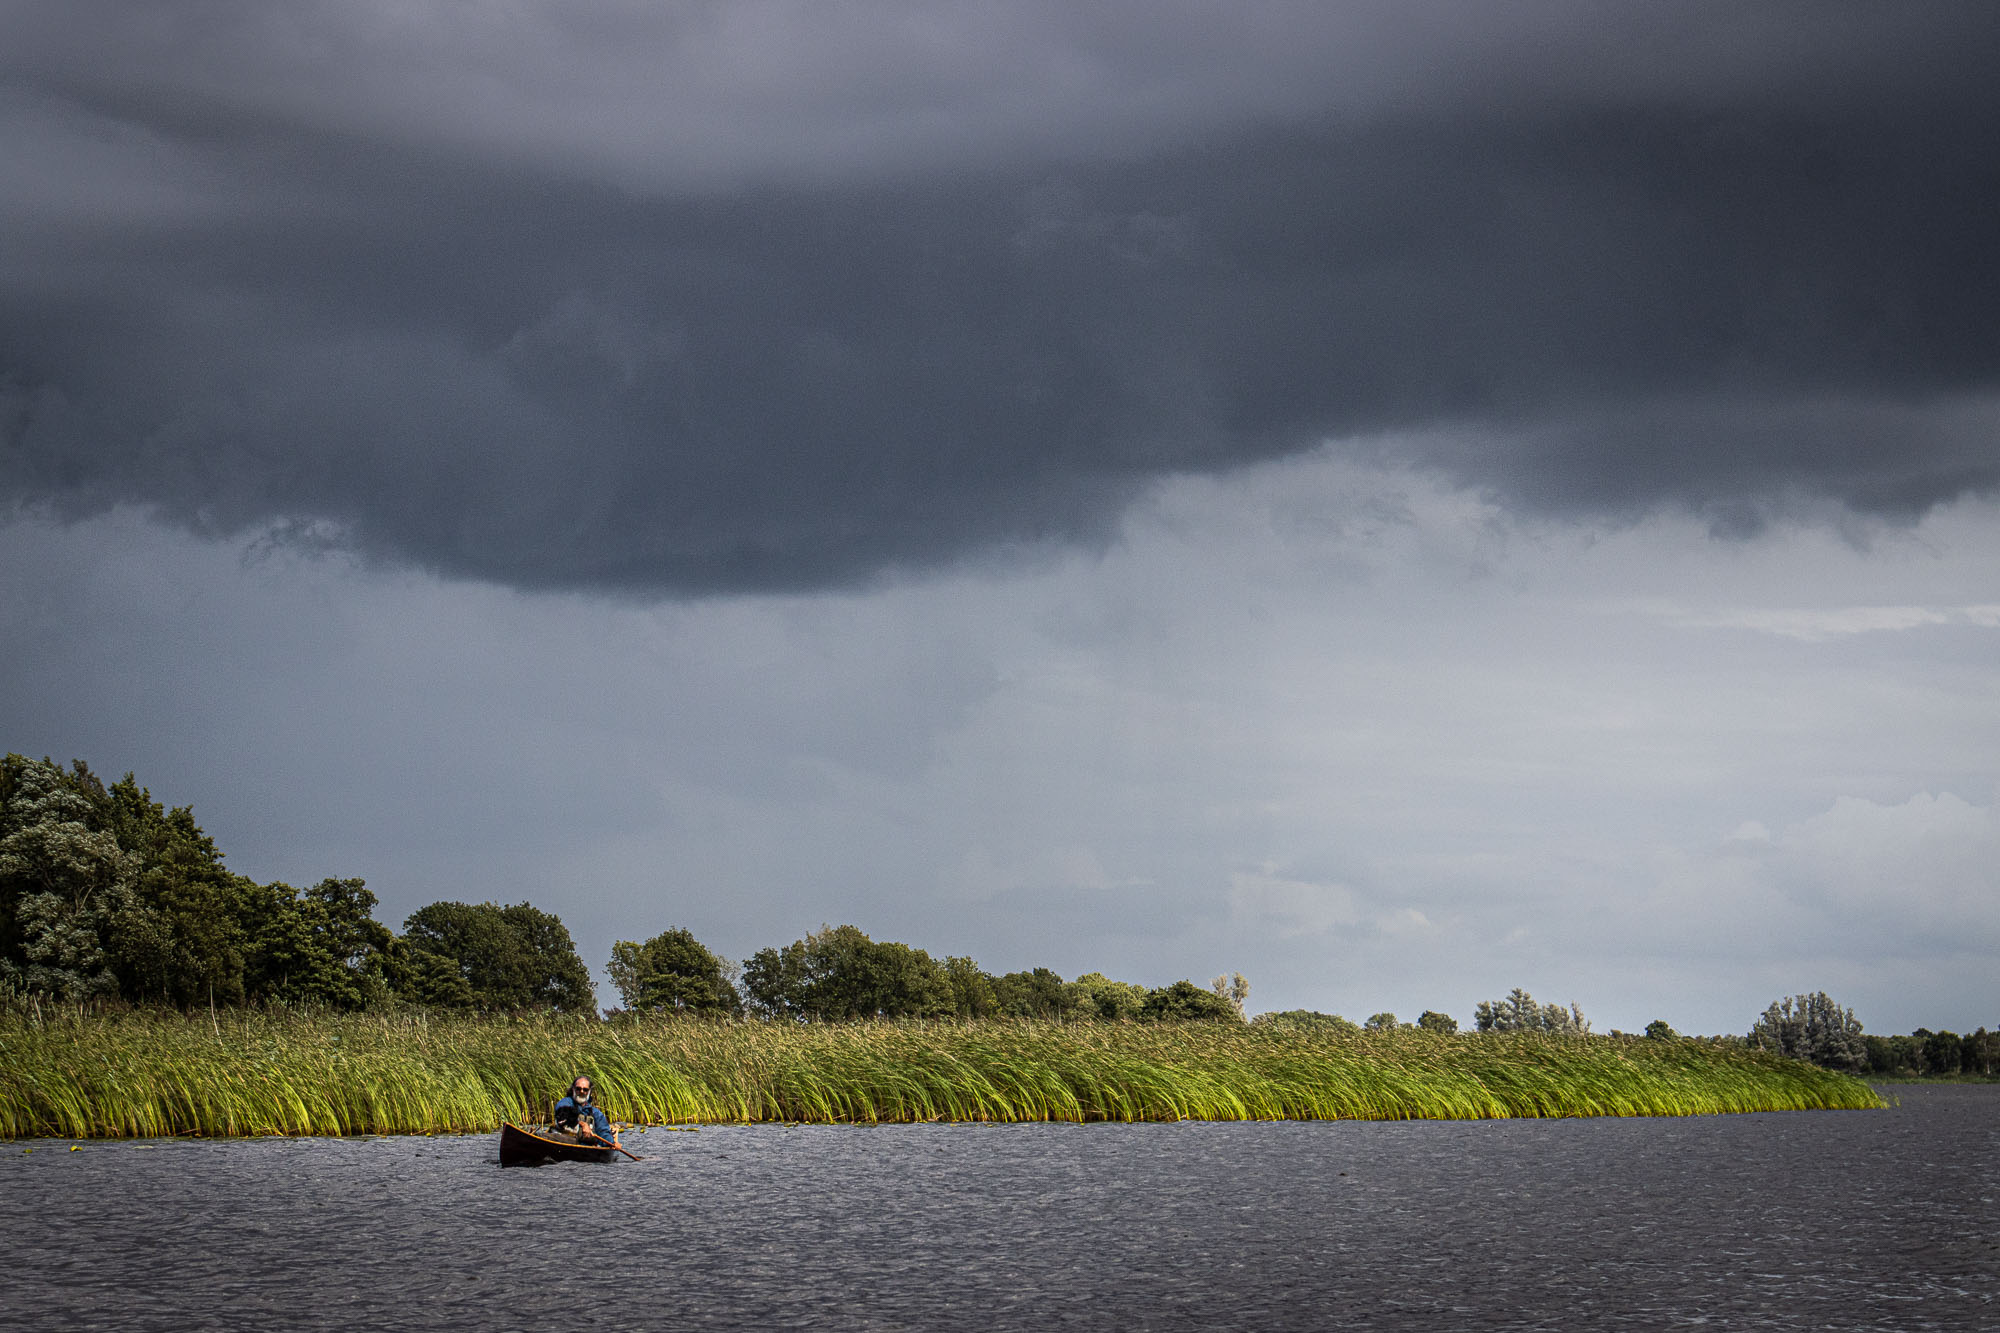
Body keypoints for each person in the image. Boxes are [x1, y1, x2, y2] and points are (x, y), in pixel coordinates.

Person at [552, 1076, 614, 1144]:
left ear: (589, 1091)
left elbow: (604, 1132)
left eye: (585, 1090)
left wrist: (612, 1143)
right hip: (565, 1141)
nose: (581, 1091)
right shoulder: (565, 1103)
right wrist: (583, 1124)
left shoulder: (596, 1113)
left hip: (587, 1146)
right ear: (573, 1089)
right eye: (578, 1089)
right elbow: (563, 1116)